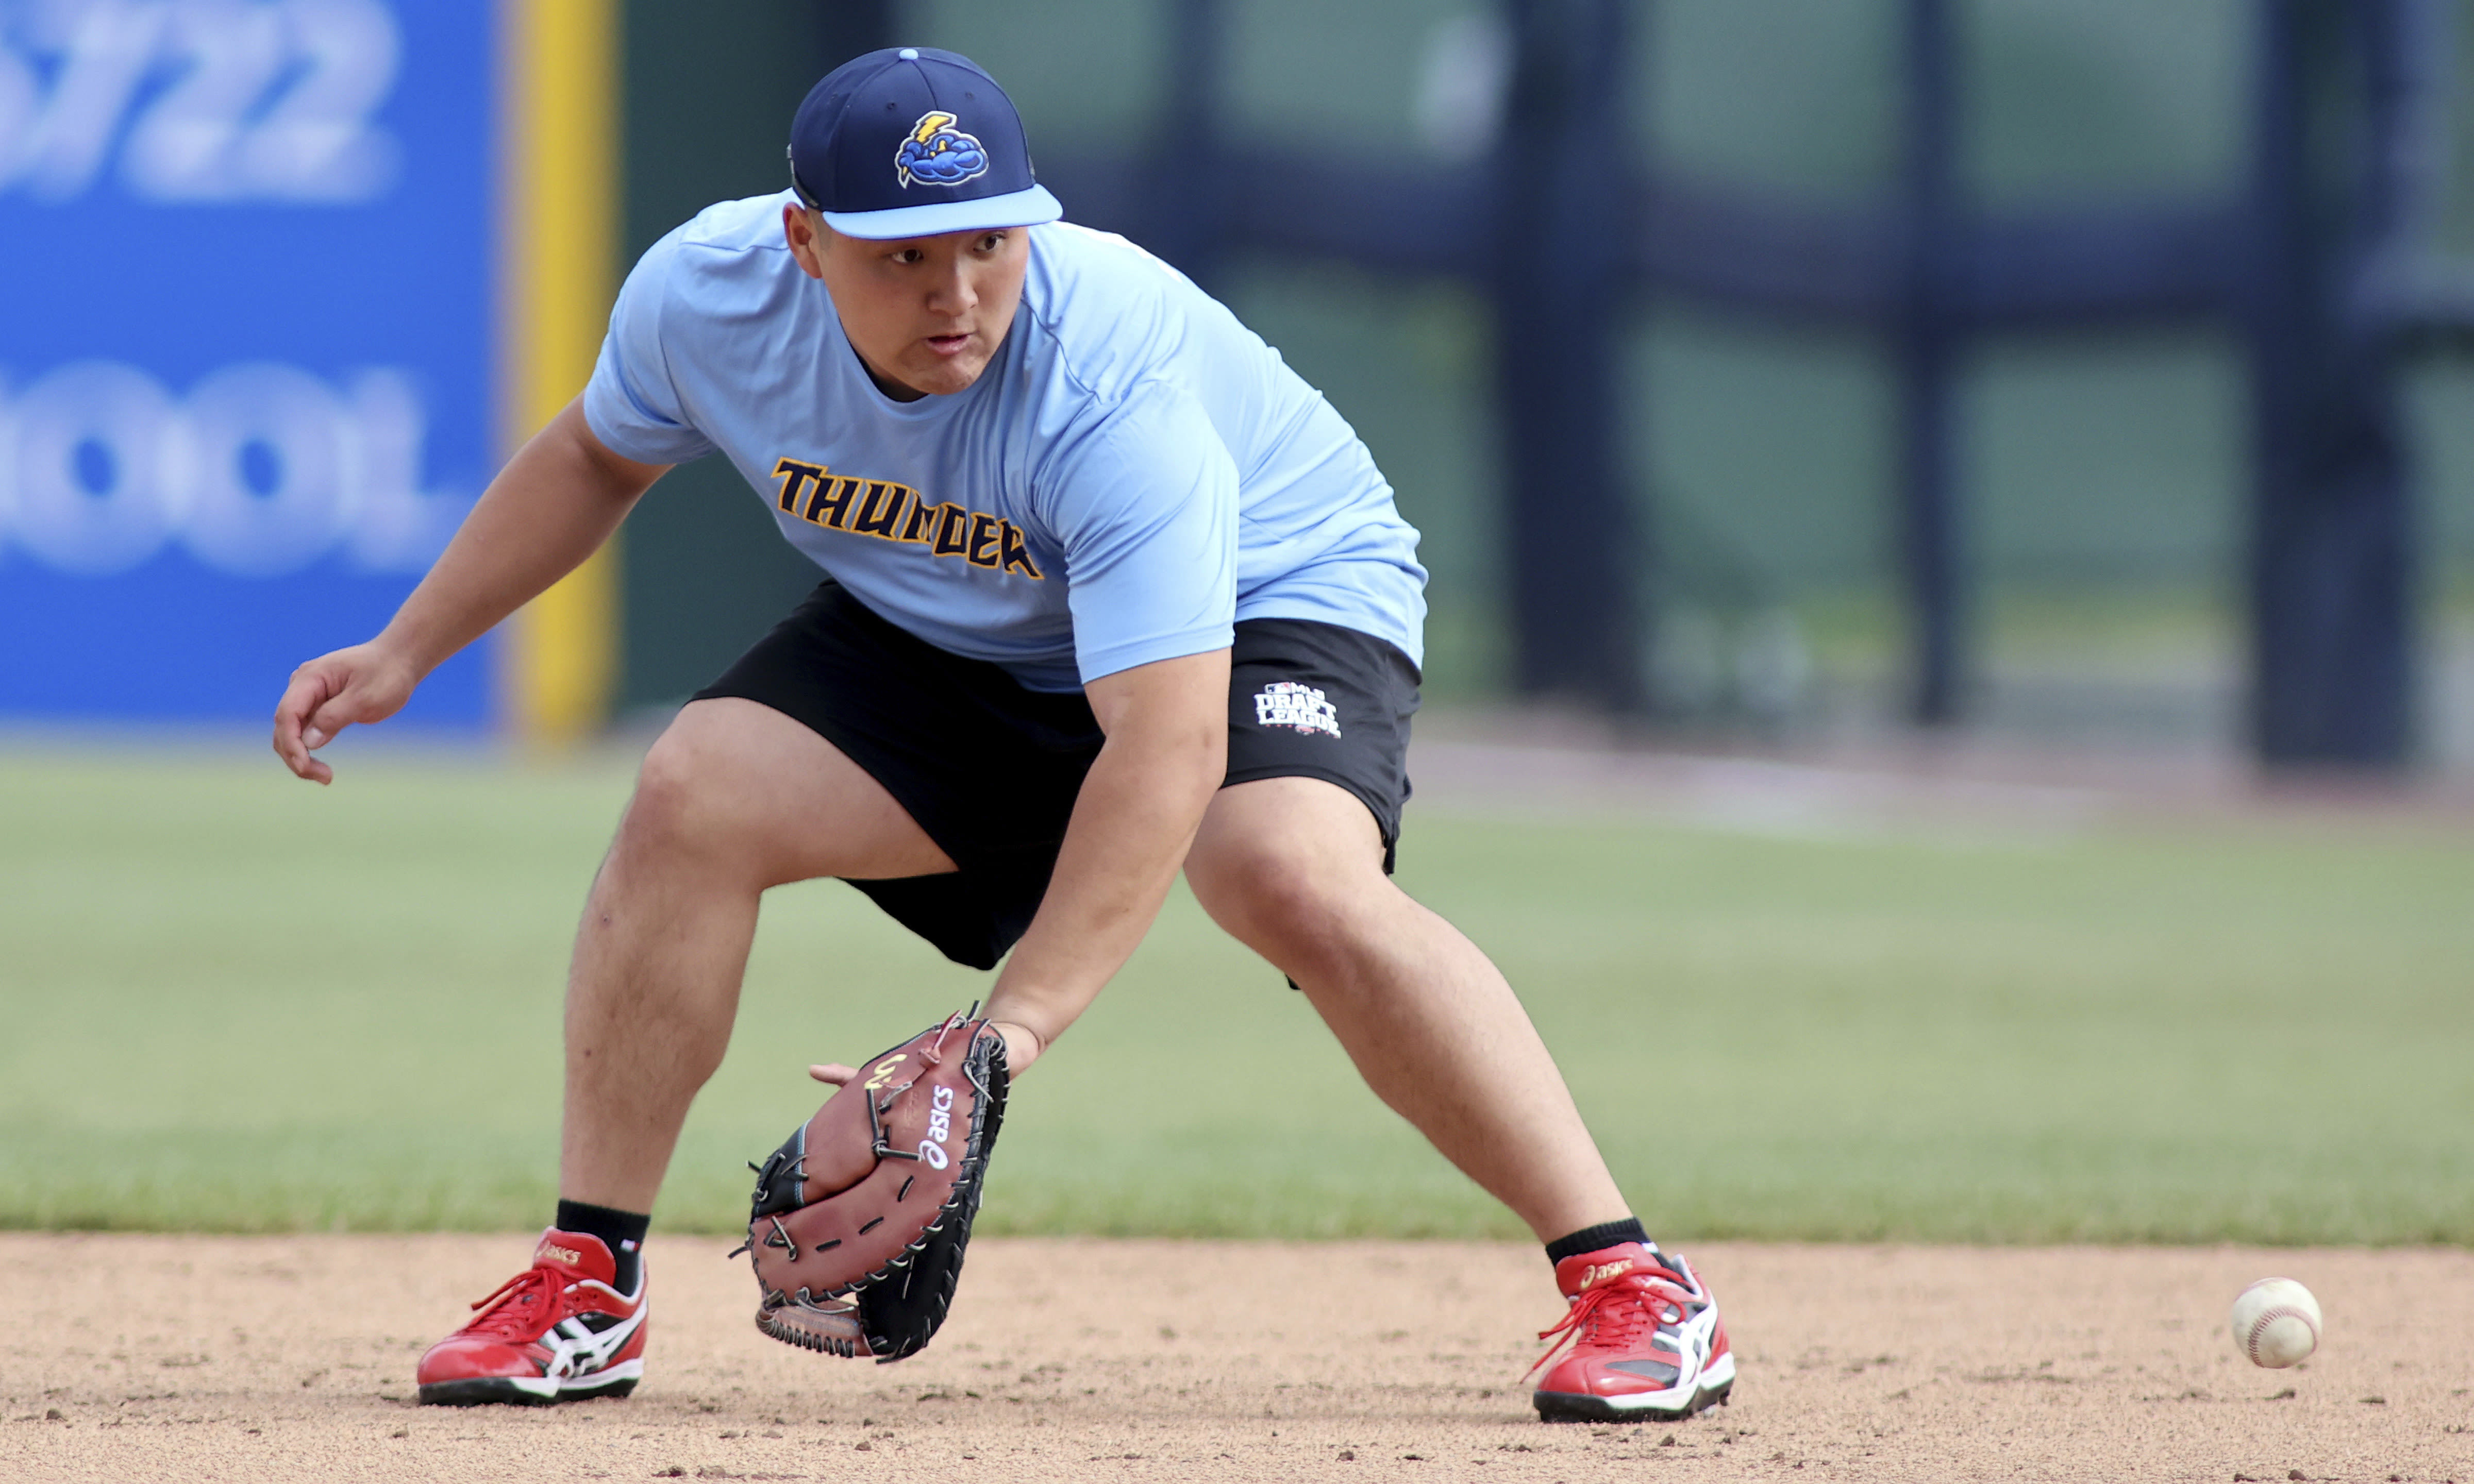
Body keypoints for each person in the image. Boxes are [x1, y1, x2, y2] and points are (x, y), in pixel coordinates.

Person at [270, 47, 1731, 1423]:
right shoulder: (703, 301)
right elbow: (596, 452)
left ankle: (1634, 1284)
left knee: (1284, 872)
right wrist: (411, 648)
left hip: (1270, 590)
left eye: (989, 239)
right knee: (691, 790)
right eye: (904, 252)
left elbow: (1161, 746)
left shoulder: (1110, 396)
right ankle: (589, 1282)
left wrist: (1001, 1042)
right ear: (803, 241)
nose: (957, 289)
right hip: (961, 614)